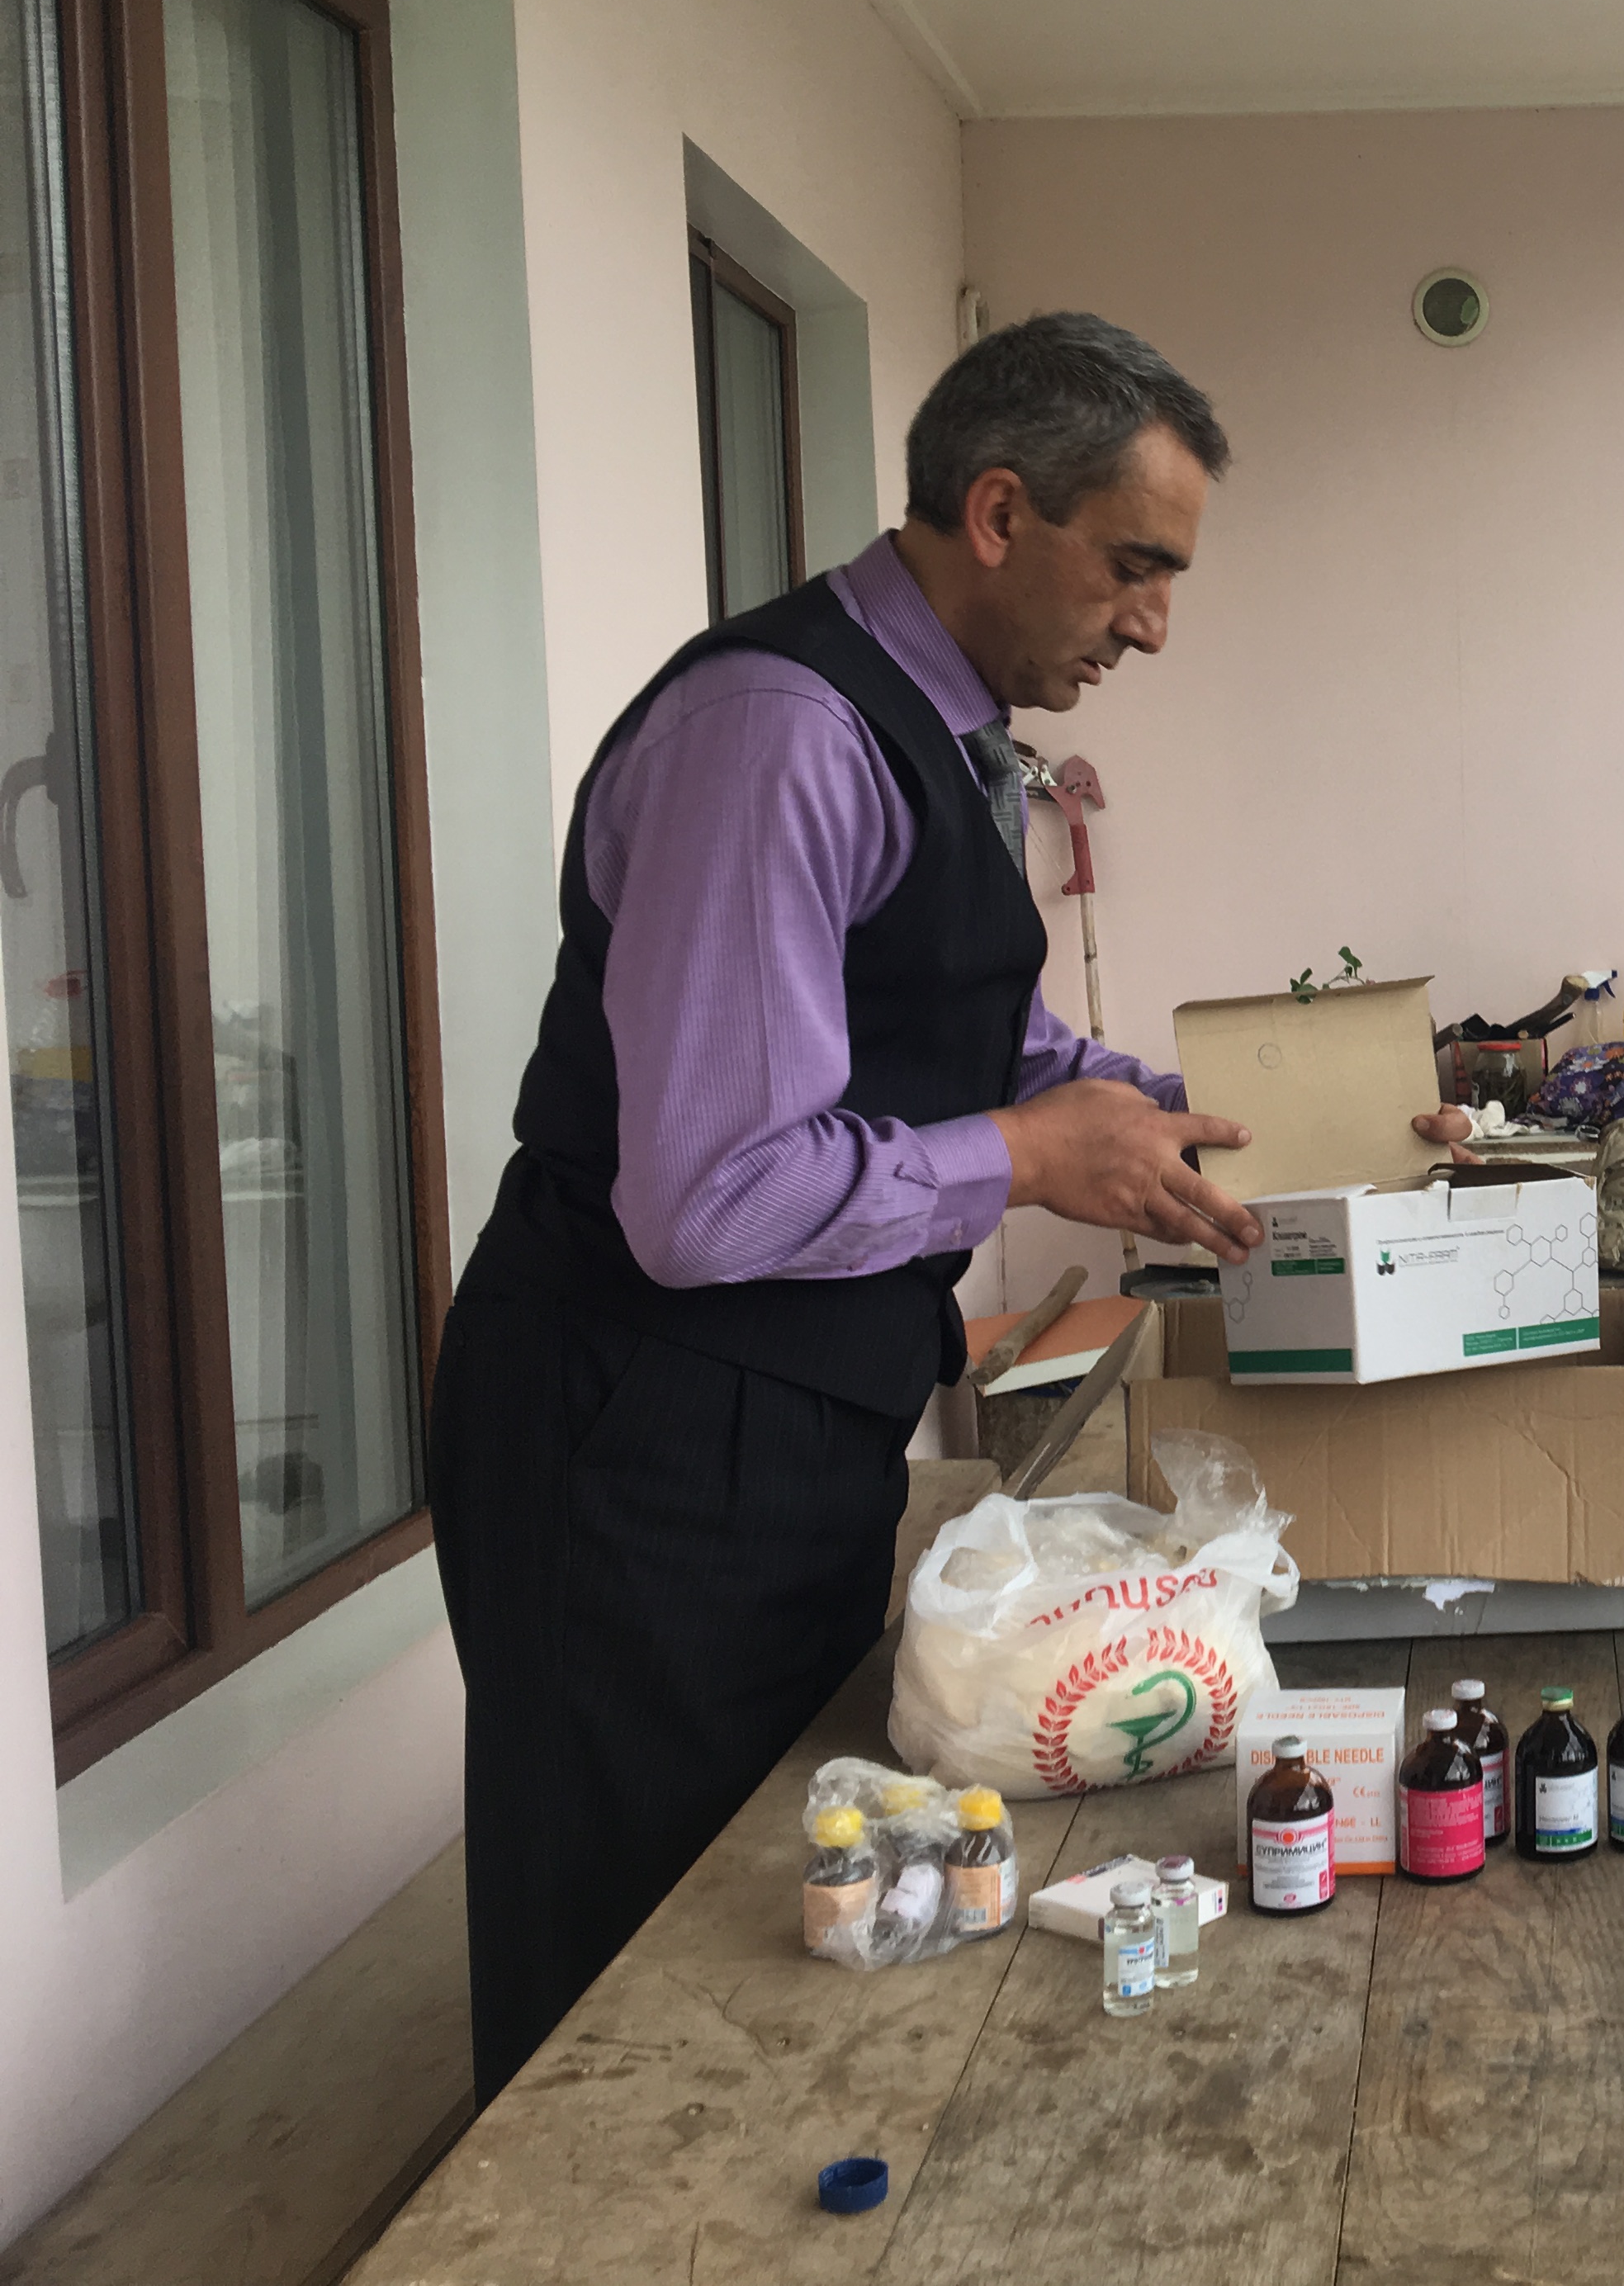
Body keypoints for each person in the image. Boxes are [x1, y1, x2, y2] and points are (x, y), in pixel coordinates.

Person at [428, 313, 1273, 2103]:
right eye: (1135, 566)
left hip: (795, 1406)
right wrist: (1028, 1159)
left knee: (776, 1891)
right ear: (998, 513)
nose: (1152, 625)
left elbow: (980, 1032)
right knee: (625, 1950)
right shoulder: (781, 736)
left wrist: (1238, 1119)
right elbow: (709, 1198)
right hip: (636, 1418)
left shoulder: (948, 733)